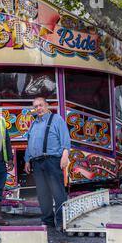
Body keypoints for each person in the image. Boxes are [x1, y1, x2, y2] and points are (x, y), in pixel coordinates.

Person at [24, 97, 71, 230]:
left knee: (58, 192)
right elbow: (30, 142)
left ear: (47, 105)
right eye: (35, 107)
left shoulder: (56, 119)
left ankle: (62, 222)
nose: (38, 108)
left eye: (40, 105)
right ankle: (47, 221)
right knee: (42, 193)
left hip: (52, 160)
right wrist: (27, 159)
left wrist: (65, 155)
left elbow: (65, 138)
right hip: (37, 162)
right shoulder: (34, 123)